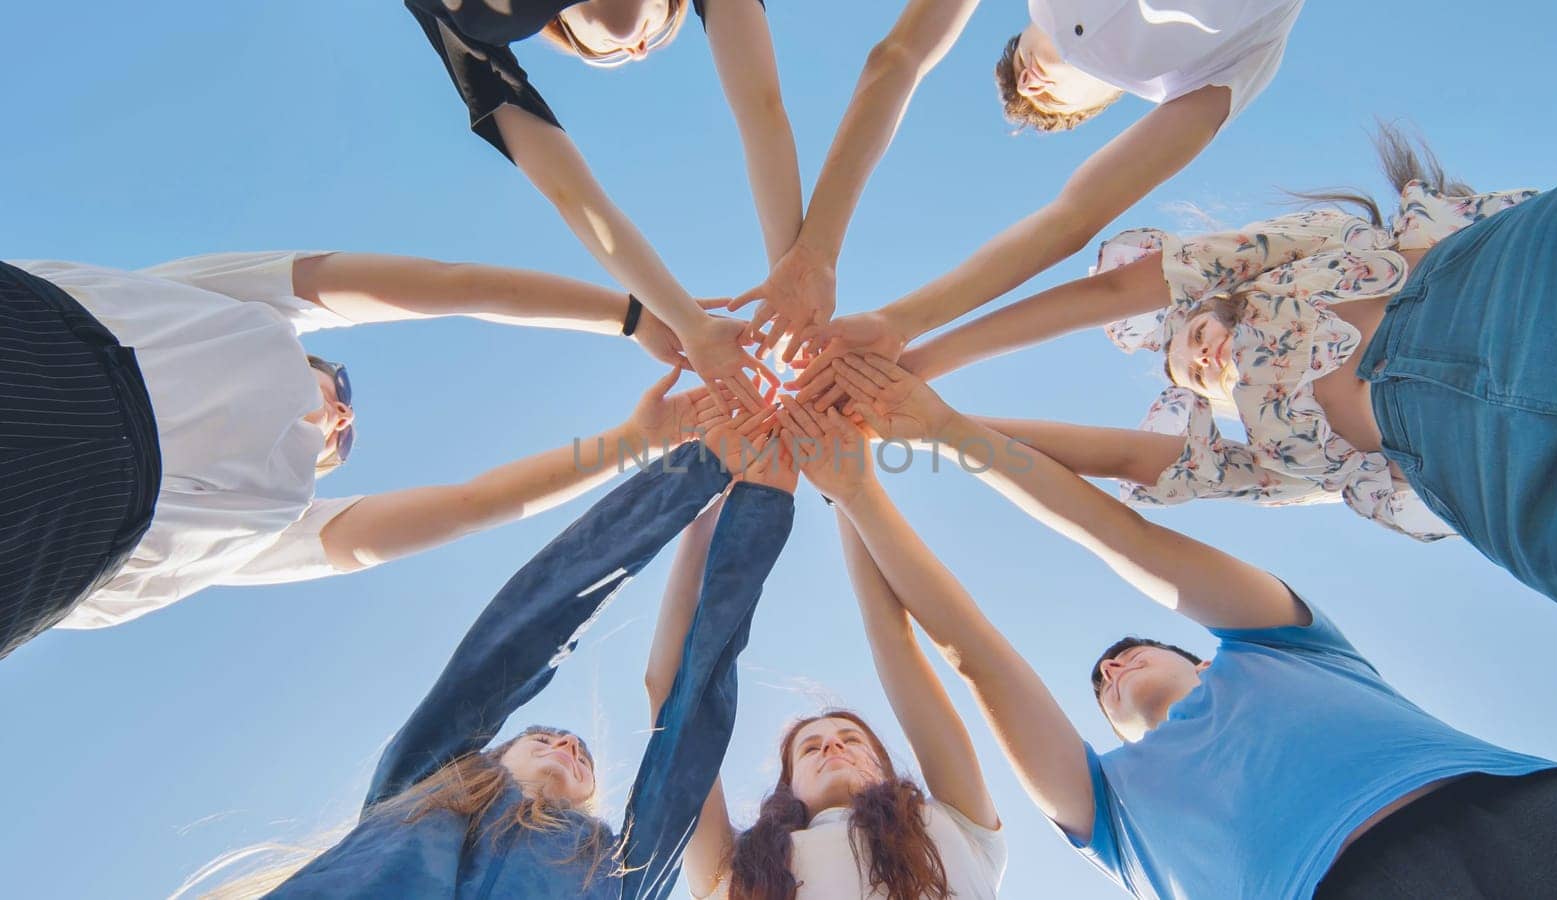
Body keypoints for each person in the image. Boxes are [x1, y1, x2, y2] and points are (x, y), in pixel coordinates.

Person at [795, 369, 1557, 898]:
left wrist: (943, 428)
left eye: (1127, 653)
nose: (1111, 665)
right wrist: (859, 495)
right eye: (1102, 685)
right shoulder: (1106, 810)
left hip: (1529, 814)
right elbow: (971, 653)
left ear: (1195, 651)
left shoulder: (1286, 644)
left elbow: (1125, 538)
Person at [857, 129, 1557, 614]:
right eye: (1194, 378)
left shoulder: (1322, 243)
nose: (1203, 359)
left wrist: (922, 357)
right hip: (1482, 465)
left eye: (1198, 335)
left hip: (1501, 290)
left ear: (1213, 304)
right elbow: (1120, 456)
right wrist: (933, 423)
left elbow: (1112, 292)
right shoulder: (1279, 464)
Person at [0, 247, 714, 658]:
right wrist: (632, 316)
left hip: (53, 540)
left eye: (340, 444)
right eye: (337, 384)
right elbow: (450, 289)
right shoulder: (226, 313)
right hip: (46, 352)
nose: (340, 418)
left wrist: (636, 443)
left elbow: (472, 505)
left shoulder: (263, 525)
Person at [197, 410, 796, 898]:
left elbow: (689, 735)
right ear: (493, 753)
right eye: (551, 739)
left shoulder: (618, 870)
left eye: (571, 748)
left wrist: (759, 510)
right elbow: (520, 633)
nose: (566, 745)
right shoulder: (422, 785)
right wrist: (694, 471)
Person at [738, 0, 1304, 365]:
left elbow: (901, 54)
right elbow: (1072, 218)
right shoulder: (1217, 70)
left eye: (1018, 60)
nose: (1026, 82)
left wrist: (817, 249)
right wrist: (897, 320)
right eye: (1048, 100)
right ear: (1112, 99)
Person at [648, 405, 1005, 899]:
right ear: (787, 789)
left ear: (883, 766)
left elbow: (893, 639)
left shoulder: (952, 823)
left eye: (851, 740)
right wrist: (708, 505)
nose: (833, 747)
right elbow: (672, 694)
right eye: (811, 749)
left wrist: (844, 491)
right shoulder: (737, 868)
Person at [404, 0, 797, 409]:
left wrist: (690, 325)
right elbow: (762, 107)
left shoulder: (472, 23)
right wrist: (790, 277)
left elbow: (574, 198)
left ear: (561, 27)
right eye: (661, 31)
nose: (638, 49)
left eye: (603, 56)